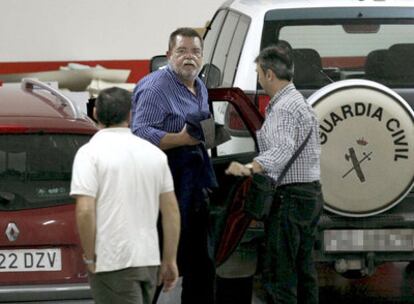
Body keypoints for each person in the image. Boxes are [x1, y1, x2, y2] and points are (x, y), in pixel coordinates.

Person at [225, 41, 323, 304]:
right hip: (310, 195)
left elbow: (282, 150)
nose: (259, 79)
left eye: (259, 74)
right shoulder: (298, 102)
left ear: (270, 74)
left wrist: (247, 167)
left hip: (290, 198)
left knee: (280, 275)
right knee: (304, 271)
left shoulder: (283, 109)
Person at [70, 87, 180, 304]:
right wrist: (169, 259)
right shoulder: (154, 154)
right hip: (147, 260)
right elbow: (171, 211)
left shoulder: (89, 154)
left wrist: (90, 255)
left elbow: (84, 210)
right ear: (131, 115)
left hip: (111, 261)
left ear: (95, 113)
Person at [131, 28, 217, 304]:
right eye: (181, 52)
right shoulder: (156, 87)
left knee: (200, 262)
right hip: (165, 179)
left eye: (195, 52)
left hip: (195, 181)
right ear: (169, 55)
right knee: (162, 257)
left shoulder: (200, 86)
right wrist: (179, 139)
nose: (189, 58)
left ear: (202, 56)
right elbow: (139, 132)